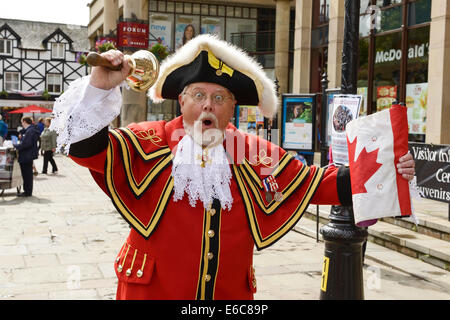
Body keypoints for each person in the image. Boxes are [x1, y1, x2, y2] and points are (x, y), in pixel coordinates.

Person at [50, 34, 415, 300]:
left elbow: (321, 184)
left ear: (233, 108)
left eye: (219, 98)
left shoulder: (252, 152)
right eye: (198, 95)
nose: (208, 106)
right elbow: (86, 148)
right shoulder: (148, 141)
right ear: (181, 99)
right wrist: (100, 88)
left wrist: (389, 167)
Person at [13, 116, 40, 197]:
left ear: (24, 121)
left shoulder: (30, 130)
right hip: (28, 155)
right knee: (27, 174)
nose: (21, 124)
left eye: (22, 122)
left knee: (27, 175)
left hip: (26, 155)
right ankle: (27, 191)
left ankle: (27, 192)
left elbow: (26, 144)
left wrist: (16, 145)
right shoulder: (30, 130)